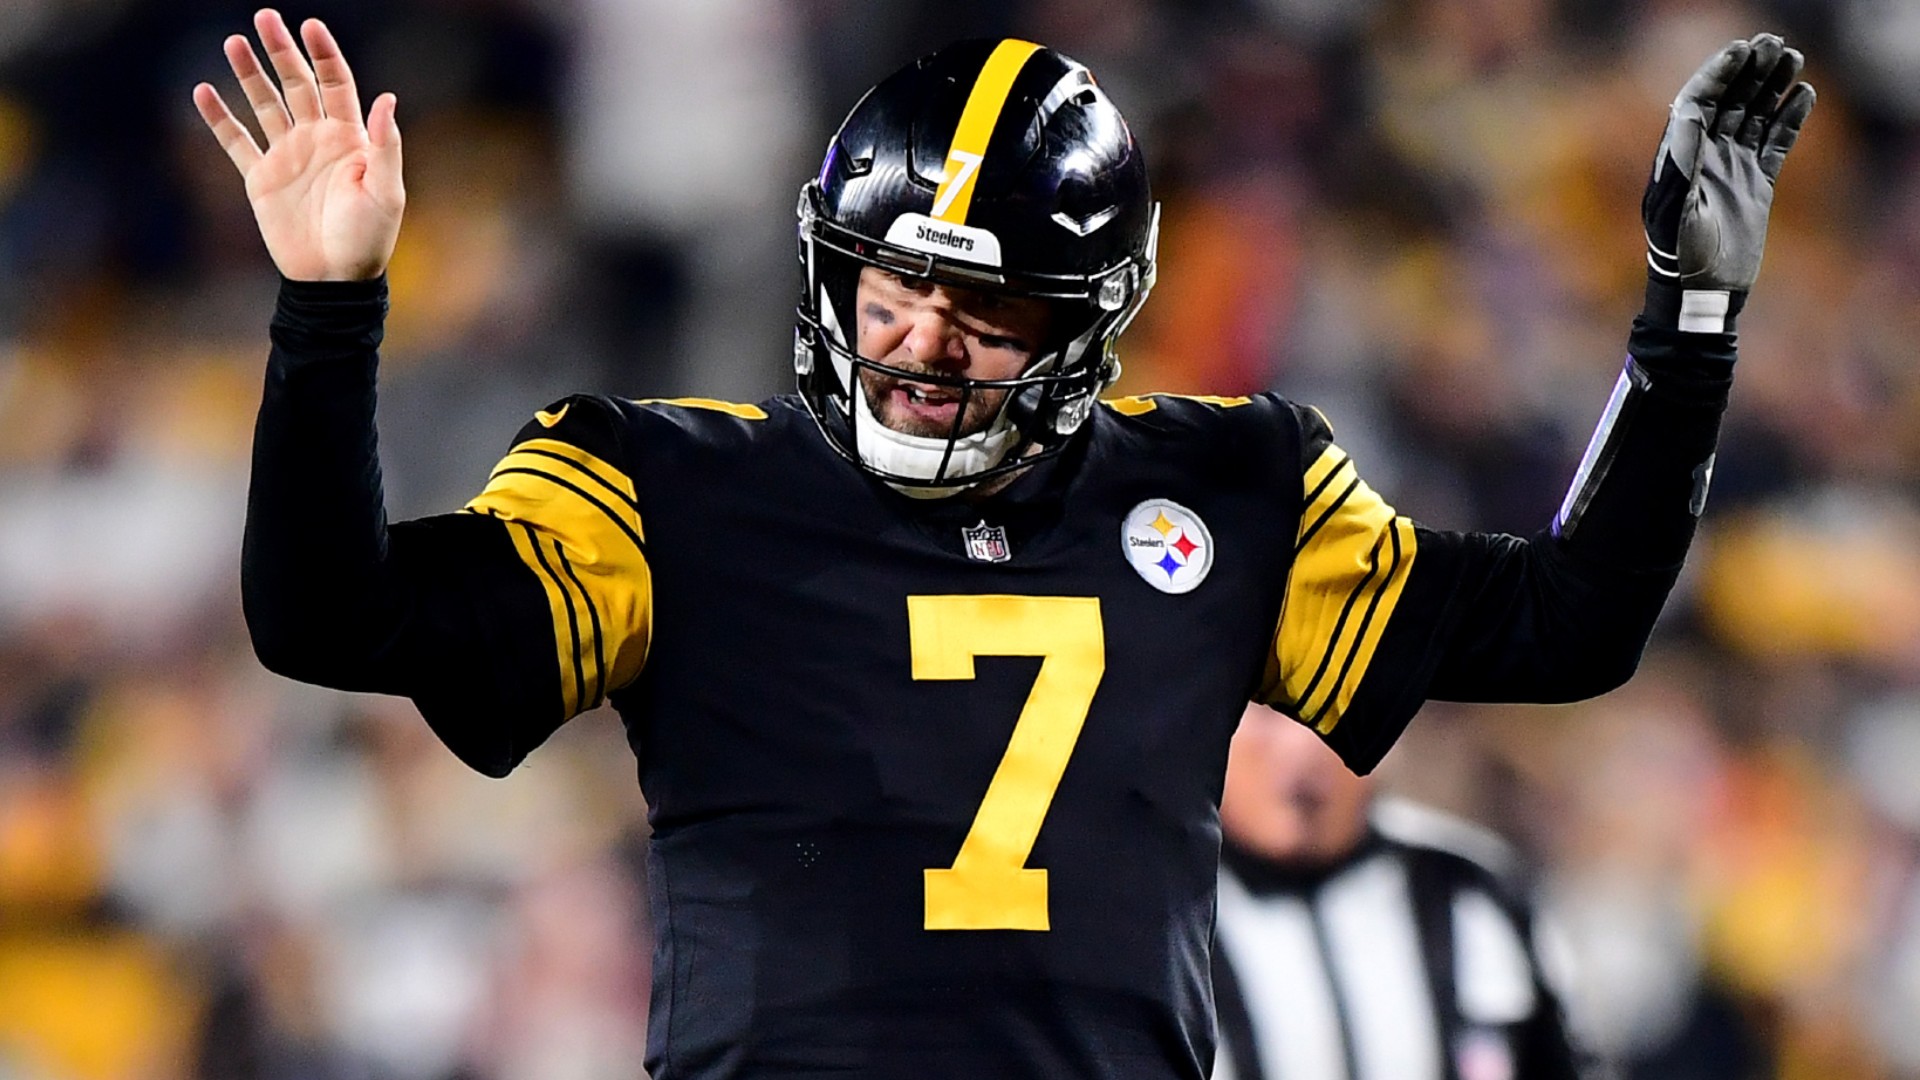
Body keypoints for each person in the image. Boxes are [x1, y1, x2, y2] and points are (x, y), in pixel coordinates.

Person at [192, 11, 1814, 1079]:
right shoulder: (661, 484)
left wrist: (1687, 328)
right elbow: (332, 618)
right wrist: (327, 315)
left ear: (1095, 316)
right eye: (892, 283)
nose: (920, 336)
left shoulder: (1229, 487)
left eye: (986, 304)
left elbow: (1570, 628)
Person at [1212, 702, 1589, 1080]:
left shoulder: (1475, 889)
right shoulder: (1168, 911)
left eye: (1333, 709)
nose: (1303, 745)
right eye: (1269, 713)